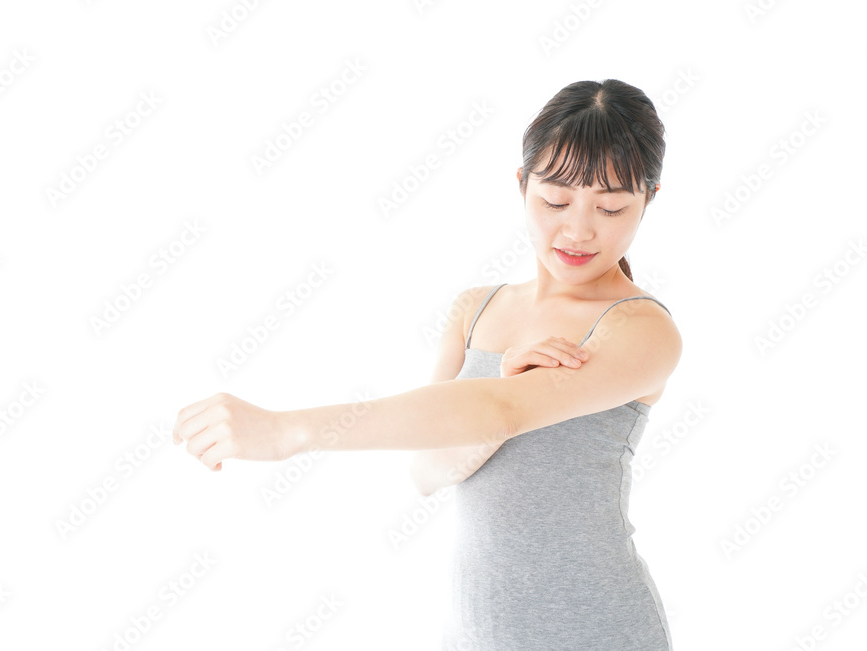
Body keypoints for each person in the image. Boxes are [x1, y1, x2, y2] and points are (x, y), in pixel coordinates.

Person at [172, 78, 681, 649]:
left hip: (598, 630)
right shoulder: (476, 309)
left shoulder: (641, 328)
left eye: (611, 207)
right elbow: (427, 472)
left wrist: (288, 430)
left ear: (649, 198)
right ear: (521, 184)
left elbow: (500, 408)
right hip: (474, 631)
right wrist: (503, 398)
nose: (578, 229)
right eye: (555, 201)